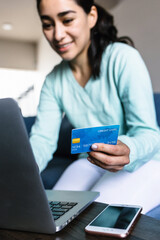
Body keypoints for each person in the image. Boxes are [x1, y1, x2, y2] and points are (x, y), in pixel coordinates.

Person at [30, 0, 160, 213]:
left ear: (91, 16)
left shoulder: (122, 57)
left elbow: (148, 133)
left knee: (97, 219)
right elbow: (42, 140)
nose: (58, 35)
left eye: (67, 20)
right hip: (90, 161)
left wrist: (129, 150)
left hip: (147, 161)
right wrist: (19, 173)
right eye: (47, 24)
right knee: (52, 215)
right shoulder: (53, 80)